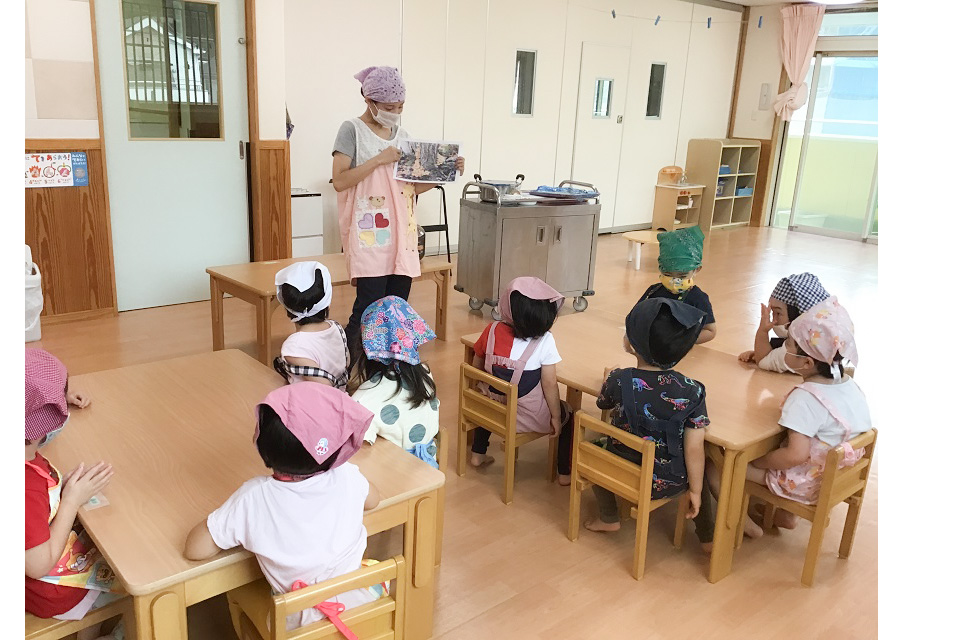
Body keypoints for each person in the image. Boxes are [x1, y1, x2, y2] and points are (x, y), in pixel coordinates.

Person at [184, 383, 382, 634]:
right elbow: (373, 500)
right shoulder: (347, 476)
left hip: (296, 625)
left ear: (263, 446)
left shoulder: (253, 497)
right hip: (361, 608)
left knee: (238, 587)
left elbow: (194, 549)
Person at [331, 65, 465, 357]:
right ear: (370, 101)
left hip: (402, 237)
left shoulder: (402, 134)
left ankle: (390, 367)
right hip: (371, 234)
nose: (396, 111)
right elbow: (340, 182)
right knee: (368, 308)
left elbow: (409, 190)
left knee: (397, 308)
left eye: (401, 106)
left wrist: (445, 172)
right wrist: (379, 159)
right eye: (390, 106)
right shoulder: (351, 129)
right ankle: (353, 366)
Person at [719, 296, 871, 538]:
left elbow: (795, 455)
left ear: (807, 362)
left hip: (806, 485)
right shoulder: (851, 386)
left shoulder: (805, 398)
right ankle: (785, 516)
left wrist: (759, 461)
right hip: (836, 478)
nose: (784, 349)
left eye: (788, 346)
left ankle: (740, 523)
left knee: (724, 464)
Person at [584, 299, 709, 544]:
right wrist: (695, 490)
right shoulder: (693, 390)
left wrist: (607, 378)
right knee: (704, 460)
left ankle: (609, 516)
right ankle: (708, 535)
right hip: (669, 482)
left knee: (592, 444)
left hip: (621, 471)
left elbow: (602, 404)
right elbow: (695, 448)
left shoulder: (619, 379)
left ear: (631, 344)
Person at [25, 349, 121, 640]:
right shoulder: (22, 486)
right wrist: (70, 501)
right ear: (43, 427)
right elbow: (37, 564)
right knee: (133, 578)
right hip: (48, 593)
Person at [468, 277, 574, 485]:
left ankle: (477, 454)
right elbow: (550, 384)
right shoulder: (545, 341)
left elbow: (476, 363)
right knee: (568, 415)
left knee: (490, 396)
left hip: (491, 409)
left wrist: (482, 383)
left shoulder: (492, 330)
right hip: (522, 415)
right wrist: (554, 416)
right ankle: (564, 473)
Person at [348, 296, 441, 468]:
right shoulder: (425, 373)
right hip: (430, 470)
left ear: (364, 347)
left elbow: (357, 456)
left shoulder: (365, 399)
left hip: (397, 481)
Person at [273, 261, 350, 389]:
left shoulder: (294, 346)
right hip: (341, 398)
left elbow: (325, 387)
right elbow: (346, 362)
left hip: (312, 406)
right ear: (327, 303)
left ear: (286, 307)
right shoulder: (336, 327)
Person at [738, 272, 831, 373]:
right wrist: (758, 352)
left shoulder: (796, 349)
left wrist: (763, 331)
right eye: (772, 312)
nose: (774, 320)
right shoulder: (820, 335)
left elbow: (764, 361)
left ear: (798, 316)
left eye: (778, 313)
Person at [639, 226, 717, 344]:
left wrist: (682, 342)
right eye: (667, 274)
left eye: (682, 276)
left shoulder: (698, 298)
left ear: (697, 269)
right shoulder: (653, 291)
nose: (674, 280)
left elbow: (710, 331)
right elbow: (636, 317)